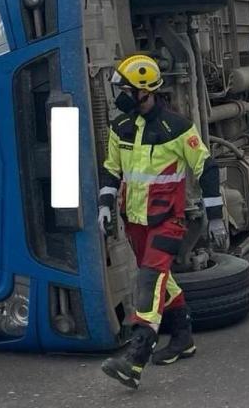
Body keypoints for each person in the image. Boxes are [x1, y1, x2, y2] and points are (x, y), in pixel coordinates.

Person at [98, 54, 228, 389]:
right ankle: (183, 337)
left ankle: (136, 357)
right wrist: (105, 203)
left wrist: (215, 219)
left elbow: (207, 169)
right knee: (159, 279)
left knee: (149, 279)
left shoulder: (178, 128)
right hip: (135, 221)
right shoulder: (120, 127)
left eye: (124, 89)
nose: (119, 96)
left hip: (168, 220)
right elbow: (112, 169)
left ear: (144, 91)